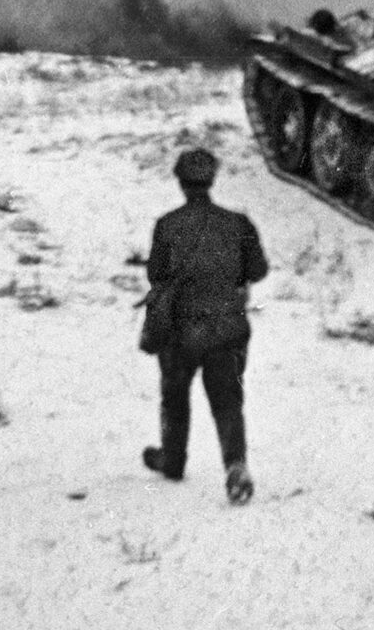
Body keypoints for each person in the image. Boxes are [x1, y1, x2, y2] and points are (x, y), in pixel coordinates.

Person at [140, 148, 269, 504]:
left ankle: (173, 461)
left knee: (174, 398)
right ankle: (235, 465)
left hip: (180, 331)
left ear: (180, 182)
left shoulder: (167, 225)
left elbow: (156, 274)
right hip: (228, 328)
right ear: (211, 180)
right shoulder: (238, 223)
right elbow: (258, 270)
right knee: (227, 402)